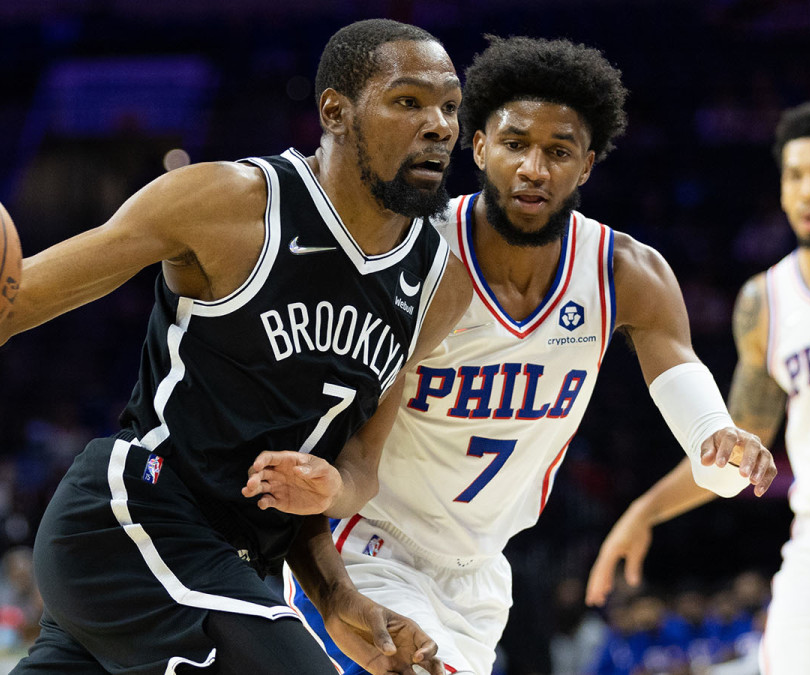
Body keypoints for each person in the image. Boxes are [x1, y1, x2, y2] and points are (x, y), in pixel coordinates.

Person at [0, 18, 475, 675]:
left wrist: (338, 593)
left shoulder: (438, 286)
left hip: (235, 568)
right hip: (135, 517)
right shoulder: (225, 204)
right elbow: (0, 310)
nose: (440, 125)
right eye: (409, 101)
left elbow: (354, 466)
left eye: (449, 105)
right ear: (335, 111)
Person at [282, 36, 777, 675]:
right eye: (515, 144)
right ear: (481, 146)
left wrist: (720, 441)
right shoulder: (414, 256)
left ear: (587, 165)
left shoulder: (627, 273)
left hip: (483, 576)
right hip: (369, 551)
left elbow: (693, 405)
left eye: (558, 150)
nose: (534, 168)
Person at [586, 100, 810, 674]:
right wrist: (644, 512)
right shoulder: (766, 303)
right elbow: (735, 447)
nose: (808, 190)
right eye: (795, 176)